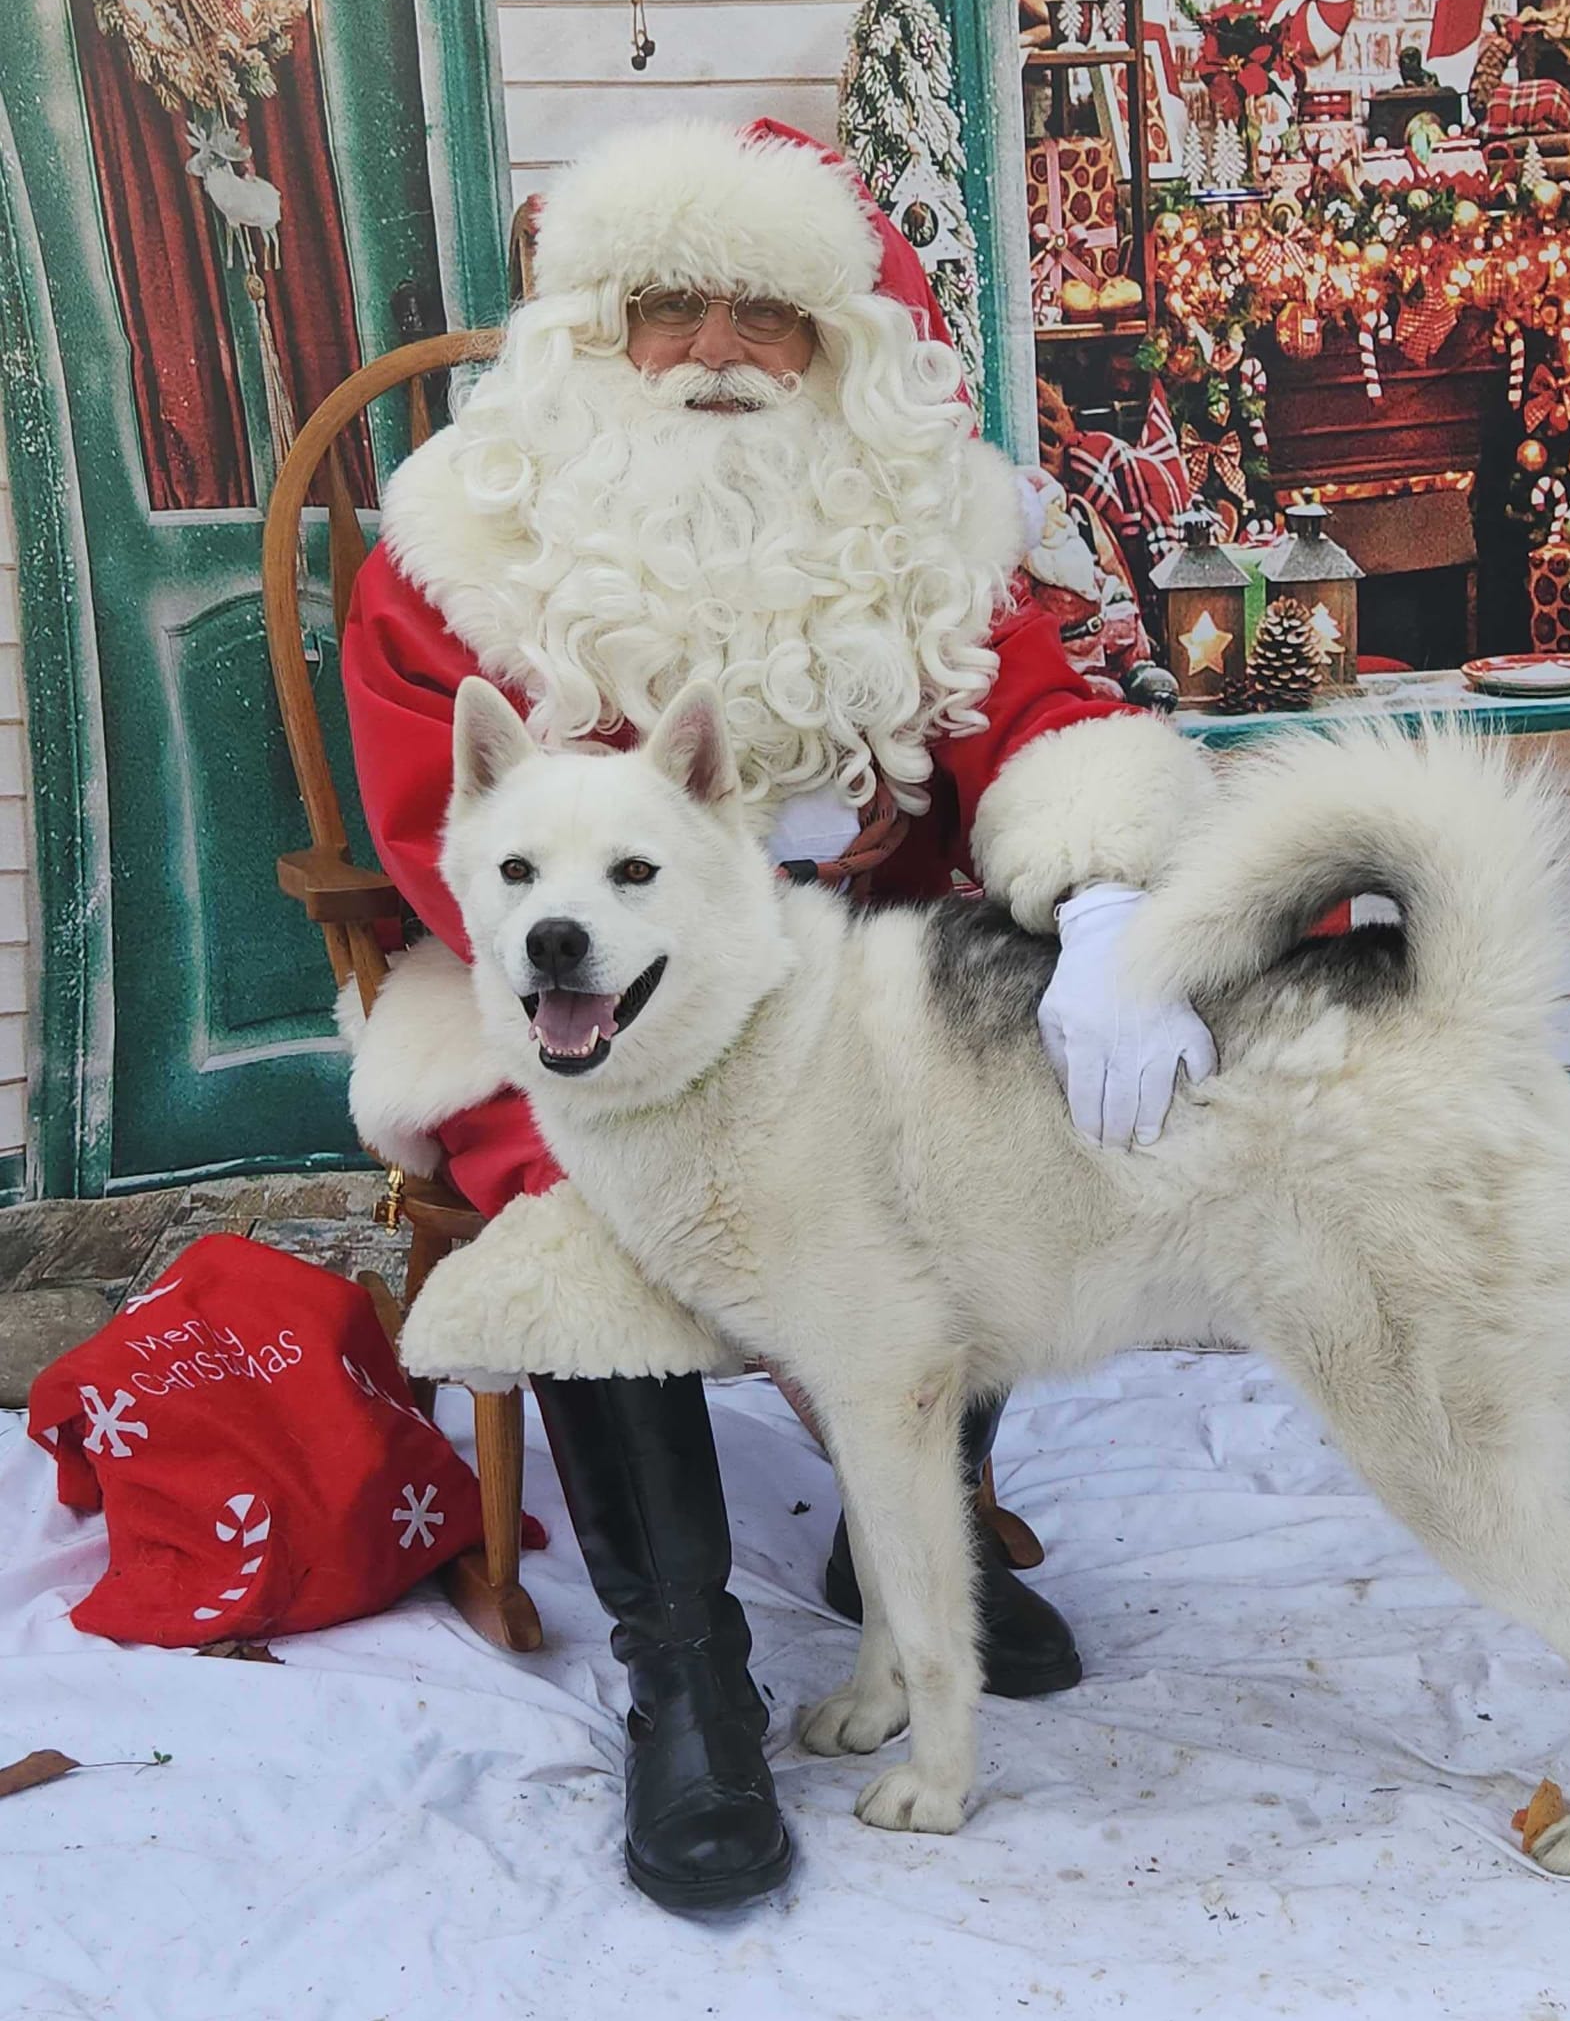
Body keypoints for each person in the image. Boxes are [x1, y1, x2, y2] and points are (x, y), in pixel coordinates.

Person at [341, 117, 1214, 1915]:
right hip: (588, 1006)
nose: (720, 352)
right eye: (674, 308)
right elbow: (462, 856)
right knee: (574, 1194)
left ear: (841, 353)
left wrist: (1116, 885)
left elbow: (1040, 713)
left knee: (1004, 1091)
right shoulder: (459, 547)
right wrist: (716, 882)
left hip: (866, 988)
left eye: (771, 317)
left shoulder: (923, 526)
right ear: (598, 328)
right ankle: (689, 1677)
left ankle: (920, 1557)